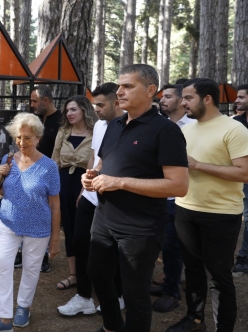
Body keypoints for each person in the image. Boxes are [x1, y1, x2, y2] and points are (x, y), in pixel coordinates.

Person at [82, 64, 189, 332]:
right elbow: (105, 162)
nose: (119, 91)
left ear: (151, 90)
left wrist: (120, 182)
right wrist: (93, 175)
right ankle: (112, 326)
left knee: (134, 294)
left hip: (140, 227)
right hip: (104, 220)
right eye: (119, 85)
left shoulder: (166, 130)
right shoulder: (114, 124)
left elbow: (178, 186)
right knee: (97, 274)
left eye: (128, 86)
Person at [166, 79, 248, 332]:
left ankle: (223, 327)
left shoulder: (234, 129)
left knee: (219, 276)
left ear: (207, 99)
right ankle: (195, 319)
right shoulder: (185, 130)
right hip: (185, 208)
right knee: (192, 269)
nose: (183, 102)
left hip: (221, 214)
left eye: (188, 98)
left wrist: (198, 165)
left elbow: (244, 173)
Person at [0, 113, 61, 332]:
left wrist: (55, 239)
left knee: (31, 268)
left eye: (28, 138)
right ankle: (3, 319)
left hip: (38, 227)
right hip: (8, 222)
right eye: (18, 137)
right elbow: (6, 192)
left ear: (38, 137)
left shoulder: (49, 167)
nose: (22, 142)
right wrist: (0, 176)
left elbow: (55, 205)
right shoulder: (7, 159)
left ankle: (23, 306)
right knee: (3, 266)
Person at [57, 83, 125, 316]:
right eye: (94, 104)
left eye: (100, 104)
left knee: (112, 246)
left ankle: (118, 294)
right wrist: (85, 184)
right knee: (80, 241)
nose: (96, 109)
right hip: (90, 194)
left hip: (116, 196)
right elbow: (95, 157)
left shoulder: (128, 126)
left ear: (116, 102)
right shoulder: (99, 127)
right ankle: (84, 296)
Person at [147, 83, 196, 313]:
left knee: (173, 246)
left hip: (182, 197)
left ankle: (171, 292)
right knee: (160, 244)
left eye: (168, 96)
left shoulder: (194, 126)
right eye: (162, 97)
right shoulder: (160, 126)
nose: (163, 100)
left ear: (180, 100)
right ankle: (167, 283)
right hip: (159, 194)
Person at [51, 95, 96, 290]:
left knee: (88, 232)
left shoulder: (97, 132)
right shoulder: (63, 132)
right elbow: (54, 161)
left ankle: (92, 275)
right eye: (67, 110)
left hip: (88, 185)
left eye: (73, 109)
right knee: (69, 229)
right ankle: (73, 274)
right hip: (65, 185)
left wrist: (87, 187)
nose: (69, 113)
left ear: (85, 110)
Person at [30, 85, 62, 273]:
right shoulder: (34, 117)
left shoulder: (60, 121)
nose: (32, 104)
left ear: (46, 101)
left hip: (50, 175)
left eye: (35, 101)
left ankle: (43, 255)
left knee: (47, 214)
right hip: (30, 172)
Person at [232, 84, 248, 275]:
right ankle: (243, 256)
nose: (236, 101)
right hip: (239, 178)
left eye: (241, 97)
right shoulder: (235, 122)